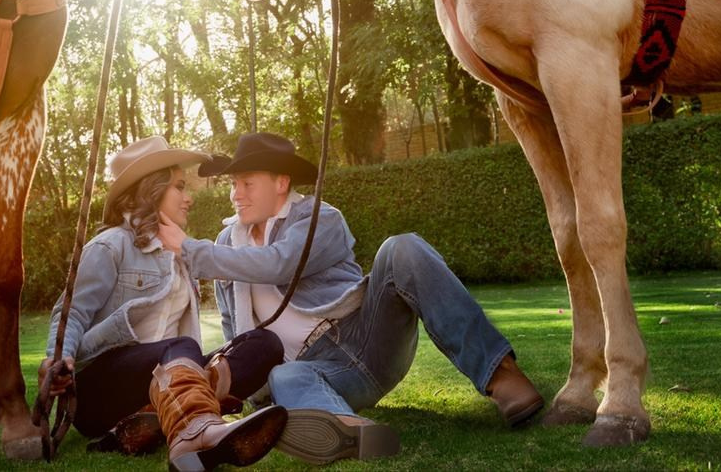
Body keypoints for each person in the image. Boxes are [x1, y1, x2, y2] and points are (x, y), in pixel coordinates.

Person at [157, 132, 544, 466]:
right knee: (284, 375)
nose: (235, 195)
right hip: (313, 370)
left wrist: (192, 250)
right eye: (233, 185)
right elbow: (232, 327)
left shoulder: (320, 219)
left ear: (281, 183)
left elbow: (280, 264)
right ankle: (351, 431)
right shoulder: (228, 243)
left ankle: (500, 374)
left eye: (246, 183)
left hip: (366, 336)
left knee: (402, 249)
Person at [40, 135, 287, 471]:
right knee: (179, 346)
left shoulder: (180, 256)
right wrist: (59, 359)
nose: (189, 198)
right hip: (97, 395)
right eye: (180, 187)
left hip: (164, 381)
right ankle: (197, 429)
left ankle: (148, 424)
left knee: (264, 344)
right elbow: (70, 314)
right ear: (152, 191)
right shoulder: (111, 246)